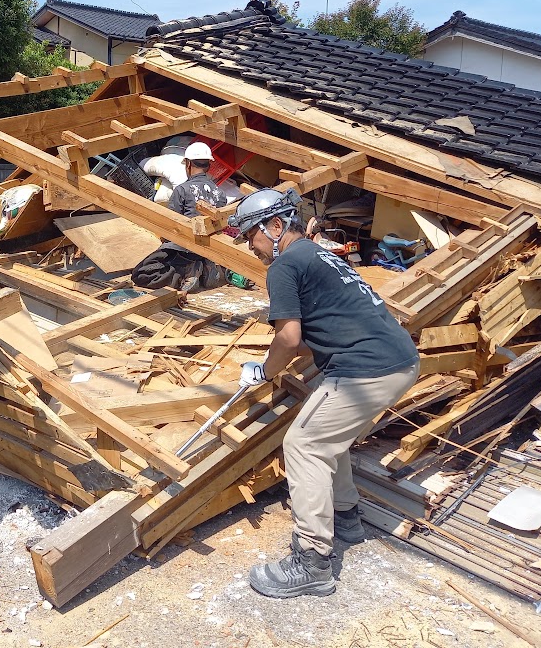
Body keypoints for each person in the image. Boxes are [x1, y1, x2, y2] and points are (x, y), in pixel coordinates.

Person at [227, 188, 420, 599]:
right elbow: (321, 326)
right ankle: (346, 517)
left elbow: (290, 336)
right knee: (327, 439)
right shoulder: (322, 255)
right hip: (398, 359)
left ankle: (312, 561)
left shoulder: (283, 266)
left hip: (366, 368)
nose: (251, 246)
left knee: (303, 444)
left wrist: (263, 369)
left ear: (274, 226)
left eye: (251, 236)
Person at [130, 141, 227, 293]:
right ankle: (206, 267)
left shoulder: (182, 190)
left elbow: (171, 226)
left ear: (188, 164)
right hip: (210, 249)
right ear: (209, 165)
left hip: (184, 248)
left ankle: (183, 274)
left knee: (141, 273)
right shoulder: (220, 193)